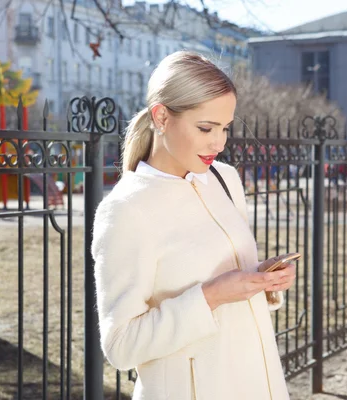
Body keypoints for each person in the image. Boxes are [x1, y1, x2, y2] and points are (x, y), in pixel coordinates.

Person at [91, 51, 296, 400]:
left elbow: (228, 277)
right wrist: (211, 296)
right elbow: (121, 346)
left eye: (225, 128)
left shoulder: (224, 178)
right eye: (205, 128)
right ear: (161, 117)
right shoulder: (127, 210)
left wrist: (261, 278)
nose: (218, 143)